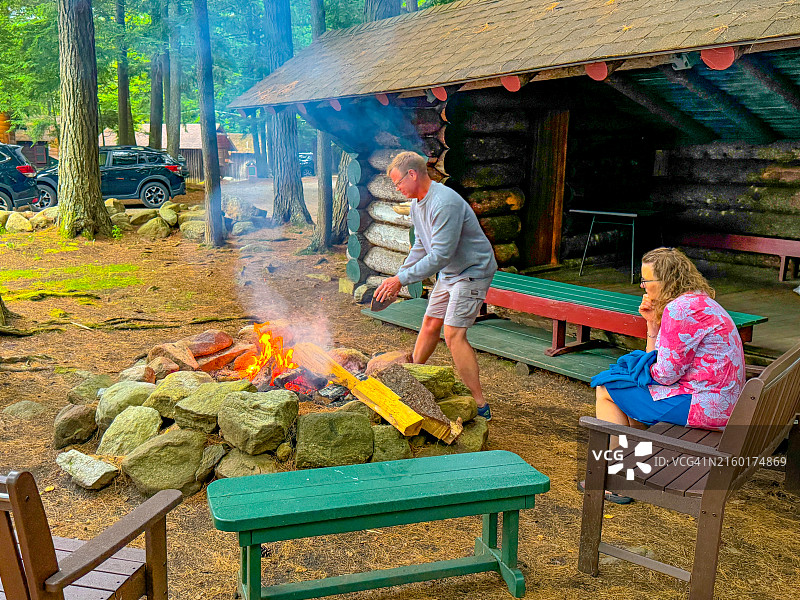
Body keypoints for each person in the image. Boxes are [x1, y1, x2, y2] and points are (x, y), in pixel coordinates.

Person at [374, 151, 497, 420]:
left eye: (398, 183)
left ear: (413, 174)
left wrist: (400, 280)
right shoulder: (419, 204)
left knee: (453, 334)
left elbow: (440, 255)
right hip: (450, 273)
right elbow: (421, 246)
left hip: (472, 271)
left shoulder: (444, 203)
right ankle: (414, 379)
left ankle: (480, 405)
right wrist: (399, 276)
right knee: (430, 323)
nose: (397, 188)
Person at [595, 247, 746, 433]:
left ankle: (615, 459)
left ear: (665, 282)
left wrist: (636, 368)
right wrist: (652, 324)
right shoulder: (700, 301)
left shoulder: (679, 310)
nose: (642, 286)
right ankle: (633, 456)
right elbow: (659, 360)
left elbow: (665, 376)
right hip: (721, 400)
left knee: (605, 388)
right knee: (626, 388)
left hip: (703, 406)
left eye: (645, 280)